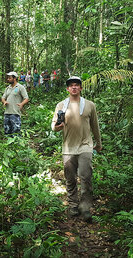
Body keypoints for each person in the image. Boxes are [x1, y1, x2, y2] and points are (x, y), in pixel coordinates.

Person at [51, 76, 102, 220]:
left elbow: (95, 126)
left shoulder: (90, 105)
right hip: (68, 147)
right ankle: (73, 204)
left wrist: (99, 143)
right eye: (71, 85)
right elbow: (53, 125)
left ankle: (85, 208)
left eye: (76, 85)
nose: (74, 87)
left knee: (86, 177)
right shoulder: (61, 105)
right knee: (70, 178)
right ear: (67, 89)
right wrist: (57, 127)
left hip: (85, 146)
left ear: (80, 88)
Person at [1, 71, 29, 135]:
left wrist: (22, 104)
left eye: (10, 78)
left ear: (14, 78)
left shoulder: (20, 87)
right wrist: (4, 101)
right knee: (7, 131)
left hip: (15, 113)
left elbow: (26, 98)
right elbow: (3, 97)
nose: (8, 79)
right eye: (8, 78)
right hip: (7, 113)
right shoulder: (7, 88)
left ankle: (16, 144)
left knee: (16, 132)